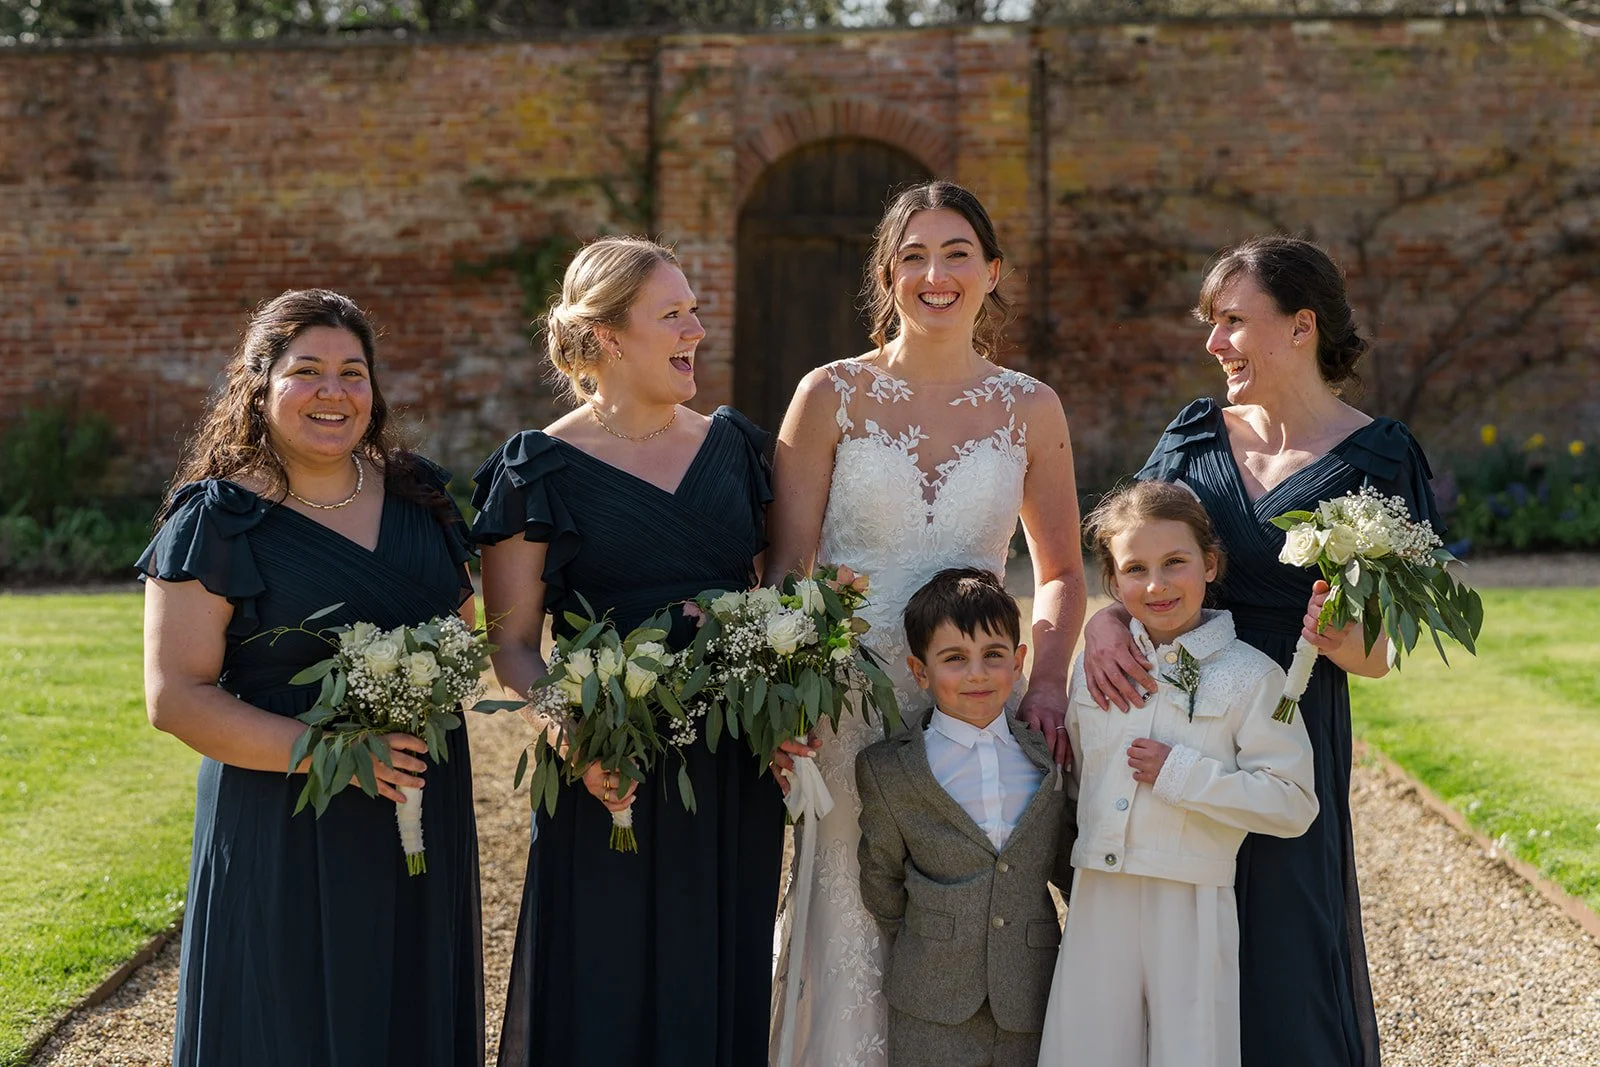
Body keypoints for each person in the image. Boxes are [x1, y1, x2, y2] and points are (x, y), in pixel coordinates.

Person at [1079, 236, 1445, 1067]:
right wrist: (1106, 621)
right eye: (1213, 323)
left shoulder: (1380, 458)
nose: (1214, 343)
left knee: (1284, 939)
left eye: (1234, 321)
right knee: (1167, 934)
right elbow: (1128, 552)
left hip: (1289, 715)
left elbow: (1381, 653)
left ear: (1301, 325)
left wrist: (1347, 641)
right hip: (1175, 717)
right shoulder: (1193, 435)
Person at [766, 179, 1087, 1065]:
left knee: (968, 906)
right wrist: (786, 701)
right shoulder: (828, 395)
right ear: (887, 274)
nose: (935, 274)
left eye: (956, 254)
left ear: (992, 272)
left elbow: (1060, 570)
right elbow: (785, 569)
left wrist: (1048, 683)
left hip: (975, 692)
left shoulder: (1031, 407)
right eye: (913, 256)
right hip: (842, 698)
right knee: (850, 898)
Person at [137, 289, 484, 1067]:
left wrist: (420, 685)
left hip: (421, 800)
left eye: (353, 371)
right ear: (259, 386)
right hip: (284, 813)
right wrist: (336, 753)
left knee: (410, 1010)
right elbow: (174, 697)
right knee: (284, 1019)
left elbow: (465, 633)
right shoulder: (217, 518)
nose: (334, 391)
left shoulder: (421, 495)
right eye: (308, 371)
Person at [470, 236, 785, 1067]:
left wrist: (790, 704)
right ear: (608, 337)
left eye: (694, 311)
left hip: (731, 765)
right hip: (610, 760)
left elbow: (772, 600)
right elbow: (511, 644)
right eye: (673, 315)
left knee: (723, 970)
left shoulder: (738, 448)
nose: (698, 331)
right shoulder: (537, 469)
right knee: (604, 981)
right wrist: (574, 735)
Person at [1039, 480, 1317, 1067]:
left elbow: (1293, 804)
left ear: (1210, 565)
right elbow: (1075, 785)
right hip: (1099, 897)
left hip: (1189, 901)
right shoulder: (1096, 671)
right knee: (1086, 1049)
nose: (1157, 585)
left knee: (1190, 1050)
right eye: (1135, 569)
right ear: (1113, 584)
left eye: (1175, 563)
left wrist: (1182, 775)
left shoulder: (1253, 677)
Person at [855, 568, 1073, 1067]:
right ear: (920, 671)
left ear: (1018, 662)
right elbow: (882, 882)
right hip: (930, 996)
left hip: (1030, 990)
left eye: (993, 656)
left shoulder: (1049, 758)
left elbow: (1065, 860)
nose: (977, 673)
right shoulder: (889, 769)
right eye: (955, 659)